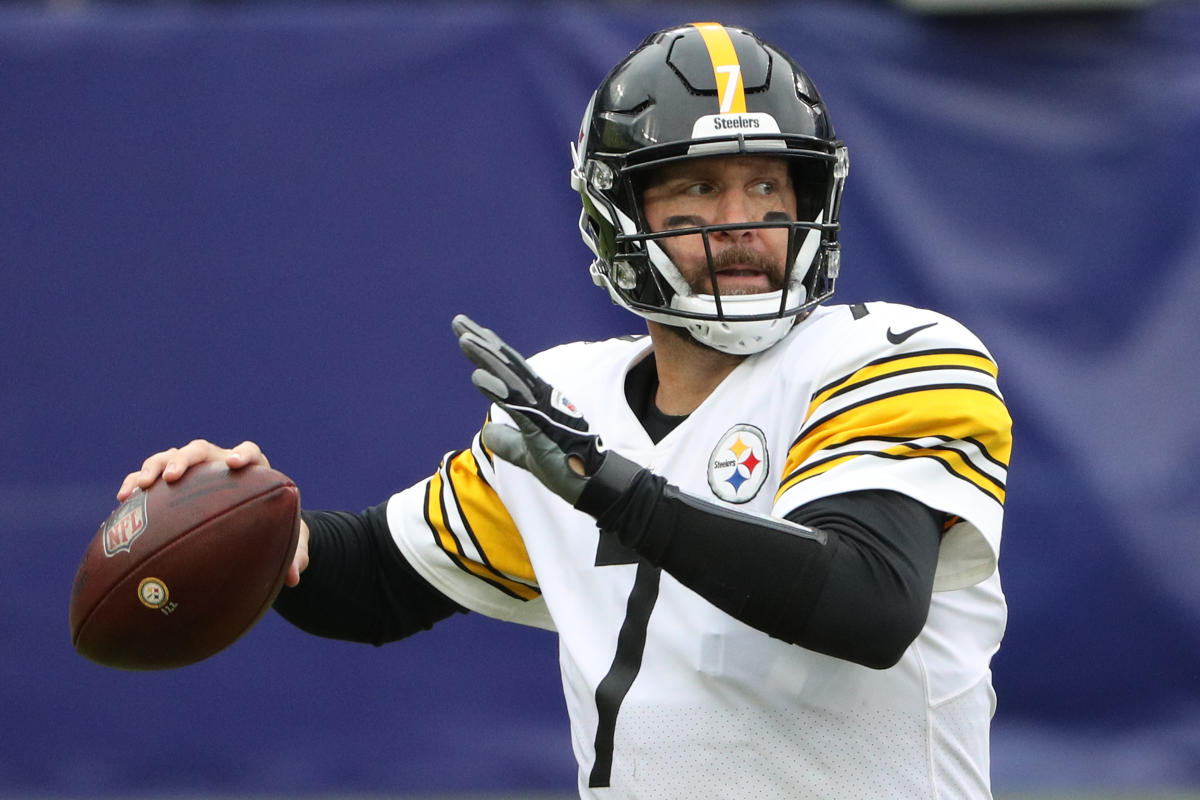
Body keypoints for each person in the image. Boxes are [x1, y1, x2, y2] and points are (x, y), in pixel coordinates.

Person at [118, 22, 1012, 800]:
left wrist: (612, 491)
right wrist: (259, 530)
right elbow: (381, 584)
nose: (742, 220)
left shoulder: (895, 354)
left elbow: (869, 607)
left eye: (770, 187)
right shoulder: (572, 402)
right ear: (616, 213)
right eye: (697, 189)